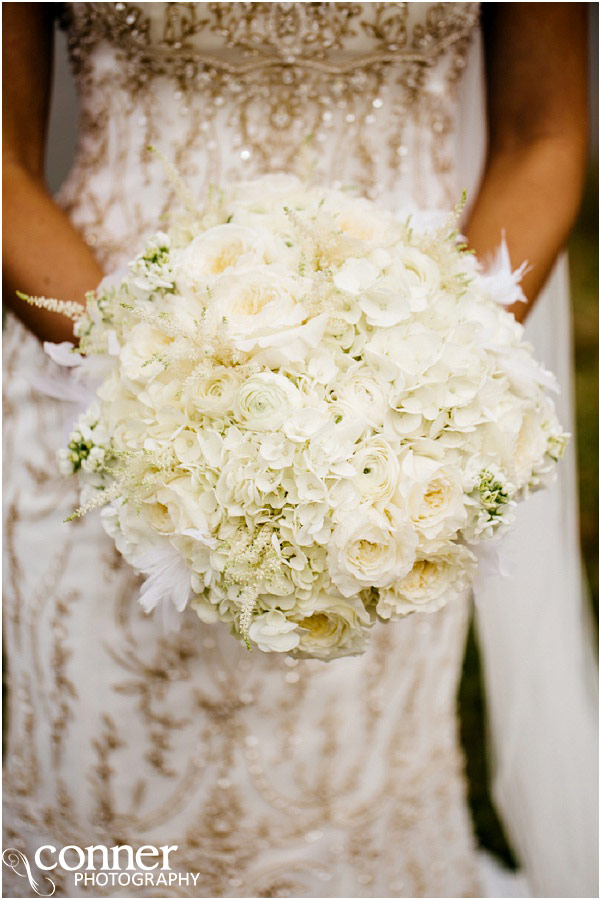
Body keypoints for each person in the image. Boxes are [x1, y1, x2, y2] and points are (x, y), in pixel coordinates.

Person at [3, 4, 597, 897]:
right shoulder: (113, 379)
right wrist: (144, 385)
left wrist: (424, 386)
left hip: (404, 424)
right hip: (90, 368)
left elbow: (542, 132)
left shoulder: (414, 416)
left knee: (351, 782)